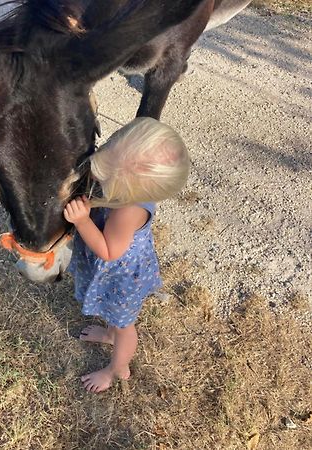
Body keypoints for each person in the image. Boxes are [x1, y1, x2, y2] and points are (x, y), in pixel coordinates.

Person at [64, 117, 190, 393]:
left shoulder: (128, 211)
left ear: (130, 189)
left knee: (126, 326)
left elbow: (109, 252)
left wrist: (83, 221)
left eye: (108, 174)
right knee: (116, 321)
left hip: (121, 277)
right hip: (121, 268)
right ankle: (110, 333)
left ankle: (115, 369)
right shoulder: (136, 187)